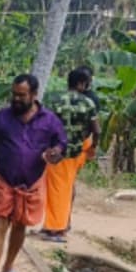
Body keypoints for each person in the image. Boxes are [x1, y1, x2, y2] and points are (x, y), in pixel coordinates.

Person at [0, 74, 67, 272]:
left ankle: (8, 267)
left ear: (34, 95)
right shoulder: (1, 118)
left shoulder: (50, 121)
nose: (15, 99)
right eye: (13, 94)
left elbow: (61, 144)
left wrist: (55, 153)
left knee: (21, 224)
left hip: (31, 183)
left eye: (21, 95)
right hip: (3, 178)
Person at [40, 67, 100, 243]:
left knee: (55, 189)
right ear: (81, 84)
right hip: (75, 151)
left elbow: (44, 124)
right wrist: (93, 147)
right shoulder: (88, 103)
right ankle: (57, 227)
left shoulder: (54, 100)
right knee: (65, 189)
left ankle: (54, 227)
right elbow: (96, 130)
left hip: (55, 151)